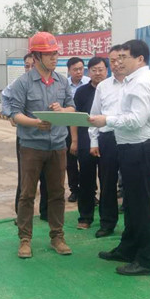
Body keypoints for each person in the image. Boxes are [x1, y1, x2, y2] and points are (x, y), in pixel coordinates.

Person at [89, 39, 150, 276]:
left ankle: (146, 260)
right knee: (133, 205)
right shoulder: (142, 79)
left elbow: (136, 119)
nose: (119, 62)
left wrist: (107, 120)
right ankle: (128, 248)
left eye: (124, 57)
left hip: (139, 148)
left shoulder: (141, 82)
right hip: (133, 146)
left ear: (139, 59)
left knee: (142, 207)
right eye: (117, 57)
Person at [9, 31, 75, 259]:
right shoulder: (23, 83)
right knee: (27, 194)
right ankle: (25, 239)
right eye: (49, 54)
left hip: (57, 146)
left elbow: (72, 107)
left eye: (56, 53)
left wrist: (62, 111)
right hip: (31, 147)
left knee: (57, 193)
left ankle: (57, 236)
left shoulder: (62, 81)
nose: (54, 57)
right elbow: (15, 114)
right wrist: (36, 123)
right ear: (36, 57)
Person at [3, 53, 49, 221]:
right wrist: (11, 115)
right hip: (26, 138)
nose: (29, 69)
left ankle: (46, 212)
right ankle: (21, 214)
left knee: (48, 177)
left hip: (49, 137)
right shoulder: (19, 83)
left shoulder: (51, 82)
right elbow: (5, 96)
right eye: (26, 66)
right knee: (26, 177)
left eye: (32, 65)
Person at [87, 45, 126, 237]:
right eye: (113, 60)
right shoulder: (104, 86)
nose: (117, 63)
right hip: (108, 139)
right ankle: (107, 223)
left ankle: (133, 224)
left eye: (120, 59)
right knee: (107, 182)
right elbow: (94, 115)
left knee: (132, 182)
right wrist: (94, 141)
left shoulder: (137, 83)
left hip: (131, 138)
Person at [70, 57, 108, 230]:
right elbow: (75, 118)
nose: (97, 73)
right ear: (89, 72)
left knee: (107, 180)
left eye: (101, 69)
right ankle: (85, 217)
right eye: (94, 70)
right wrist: (74, 141)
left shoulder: (112, 89)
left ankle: (107, 220)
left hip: (107, 140)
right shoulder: (81, 92)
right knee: (86, 180)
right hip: (86, 140)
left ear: (106, 70)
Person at [65, 56, 89, 202]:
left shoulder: (88, 83)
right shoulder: (64, 85)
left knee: (87, 160)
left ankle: (89, 191)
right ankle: (74, 190)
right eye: (75, 69)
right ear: (69, 70)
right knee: (71, 161)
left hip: (86, 127)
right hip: (68, 127)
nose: (79, 72)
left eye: (81, 69)